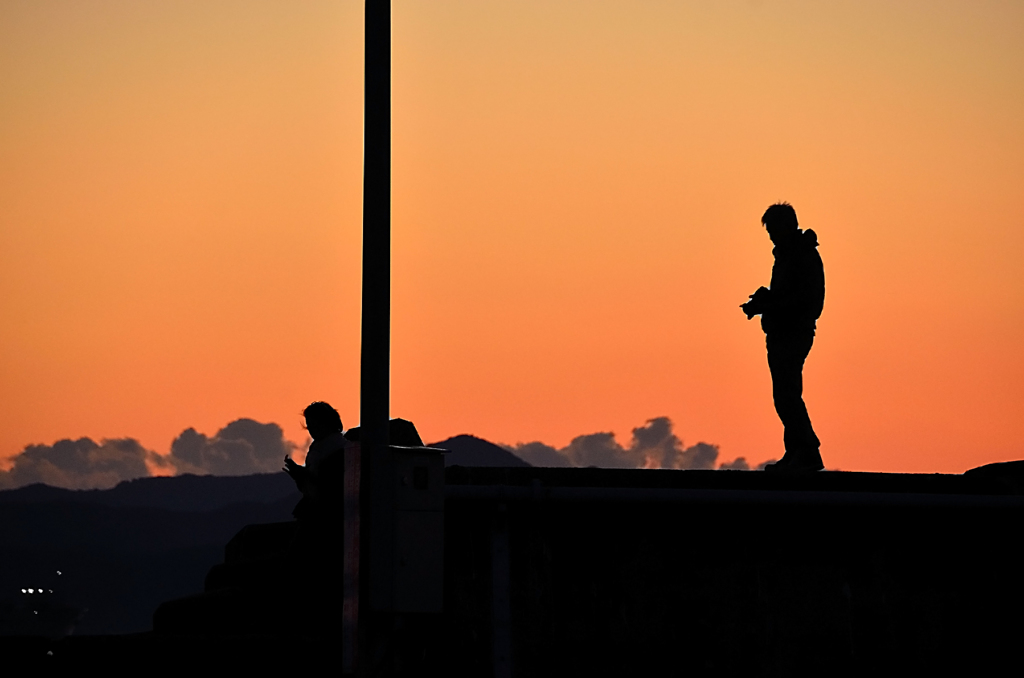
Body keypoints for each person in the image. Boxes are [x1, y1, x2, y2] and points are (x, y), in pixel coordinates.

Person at [741, 203, 825, 472]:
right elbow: (788, 295)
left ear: (787, 226)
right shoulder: (789, 256)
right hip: (782, 333)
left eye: (774, 230)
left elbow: (805, 300)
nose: (771, 236)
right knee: (785, 395)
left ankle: (807, 451)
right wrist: (765, 300)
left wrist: (768, 306)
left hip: (793, 334)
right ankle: (796, 452)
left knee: (787, 395)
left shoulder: (802, 256)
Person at [284, 401, 348, 521]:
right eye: (310, 427)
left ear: (327, 423)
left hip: (327, 511)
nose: (312, 431)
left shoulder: (337, 449)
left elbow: (329, 484)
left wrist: (303, 475)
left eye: (316, 426)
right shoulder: (319, 447)